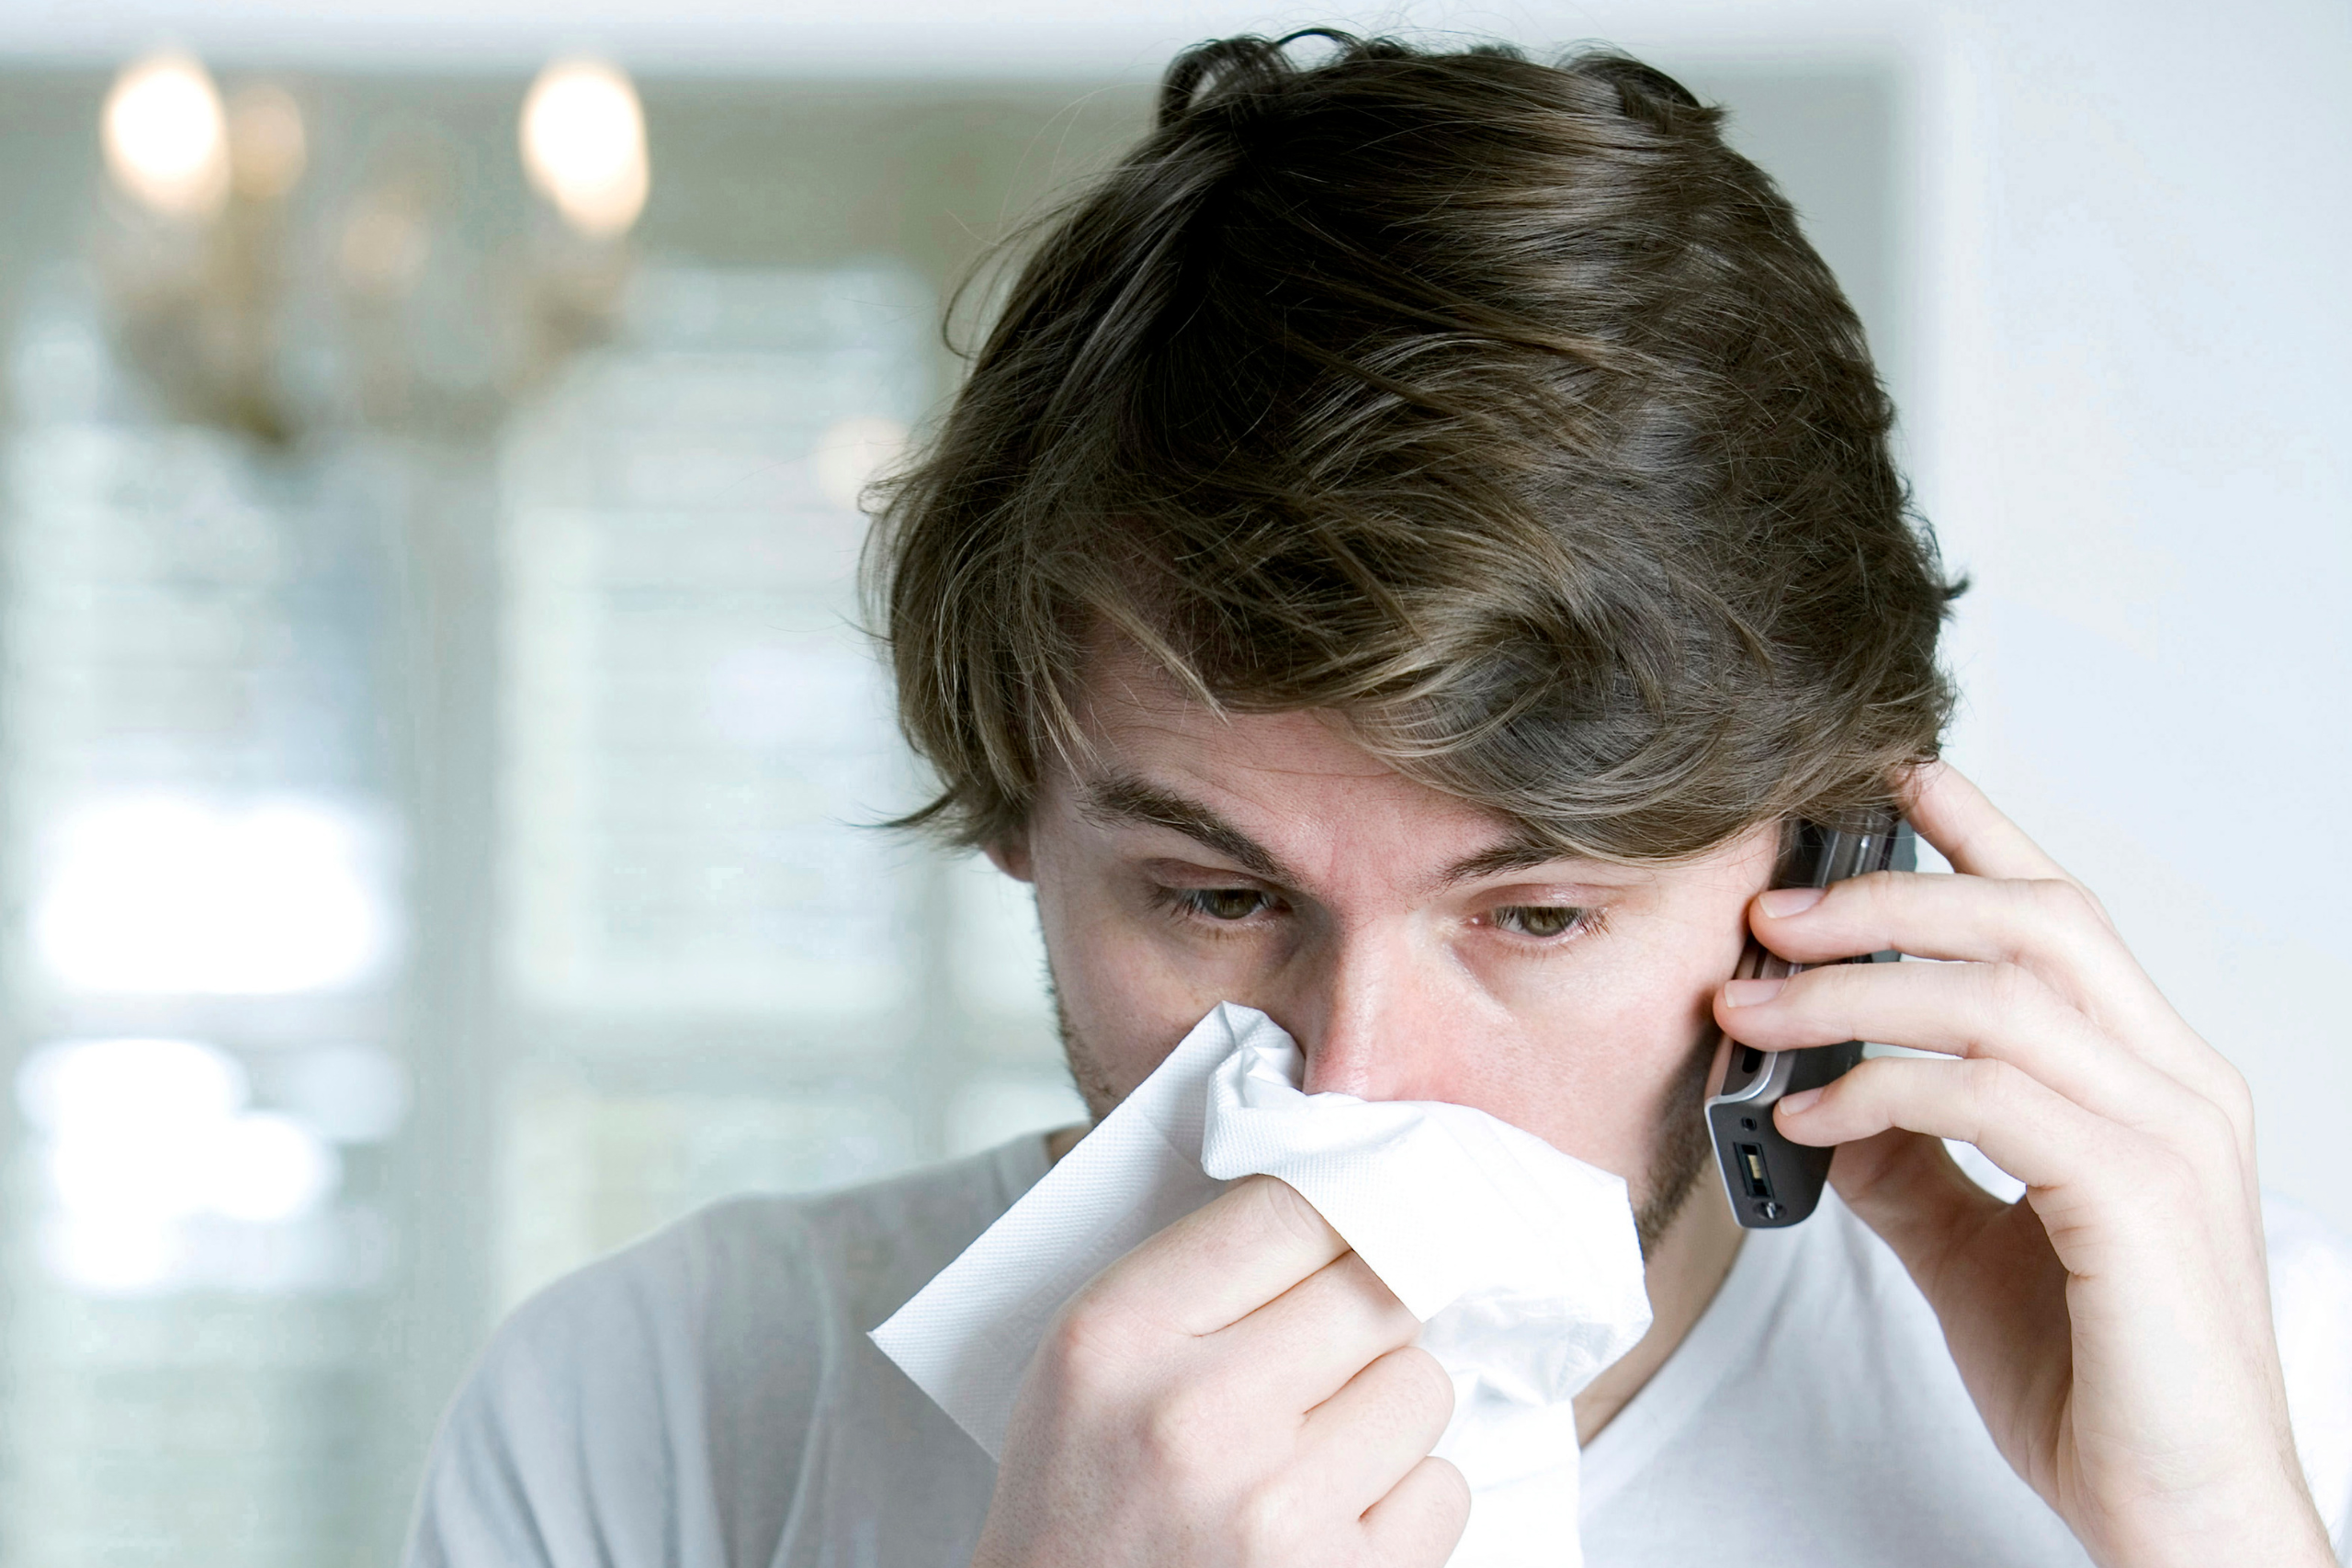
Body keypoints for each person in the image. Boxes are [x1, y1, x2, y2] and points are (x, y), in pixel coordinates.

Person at [404, 33, 2352, 1568]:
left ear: (1821, 868)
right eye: (1210, 897)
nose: (1353, 1084)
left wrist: (2213, 1538)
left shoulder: (2253, 1383)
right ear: (1015, 813)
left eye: (1533, 916)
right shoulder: (657, 1411)